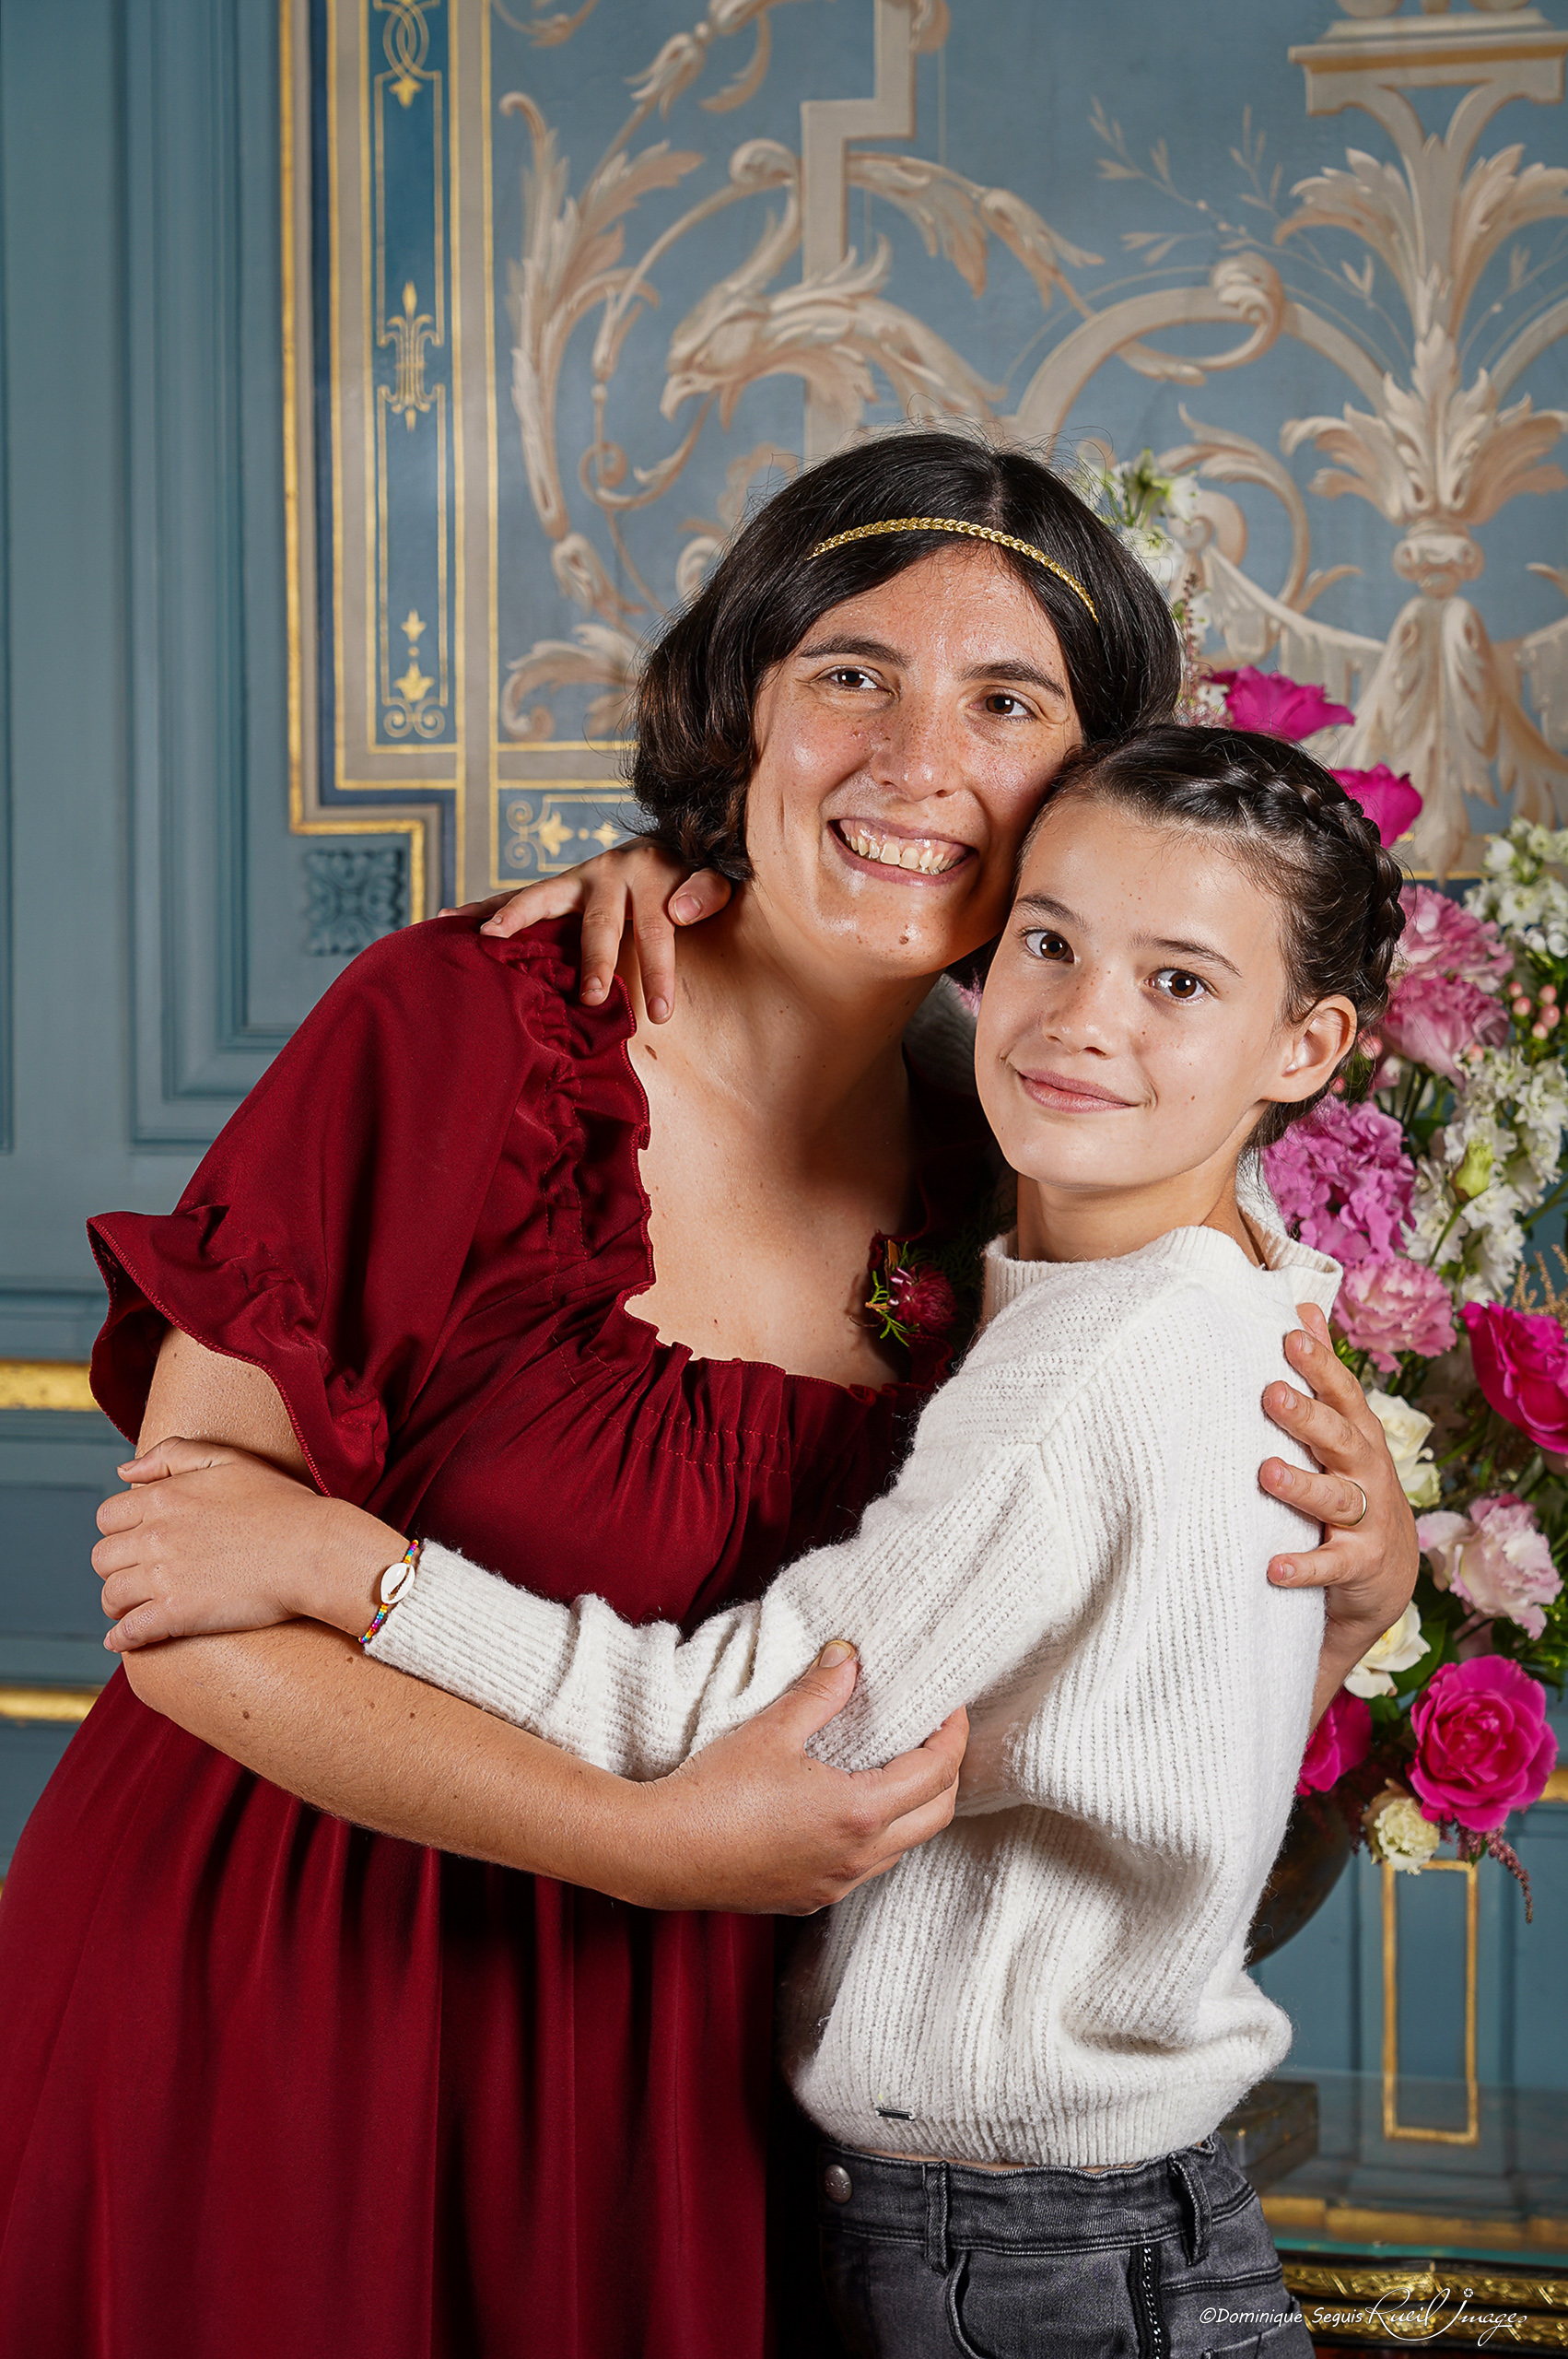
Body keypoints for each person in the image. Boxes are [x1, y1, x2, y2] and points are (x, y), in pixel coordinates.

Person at [0, 432, 1413, 2359]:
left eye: (1004, 704)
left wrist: (1348, 1596)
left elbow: (1084, 1720)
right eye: (851, 673)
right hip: (288, 2003)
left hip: (707, 2105)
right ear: (744, 703)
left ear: (1090, 788)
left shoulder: (1037, 1175)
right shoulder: (464, 1026)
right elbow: (187, 1606)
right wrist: (644, 1843)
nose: (913, 759)